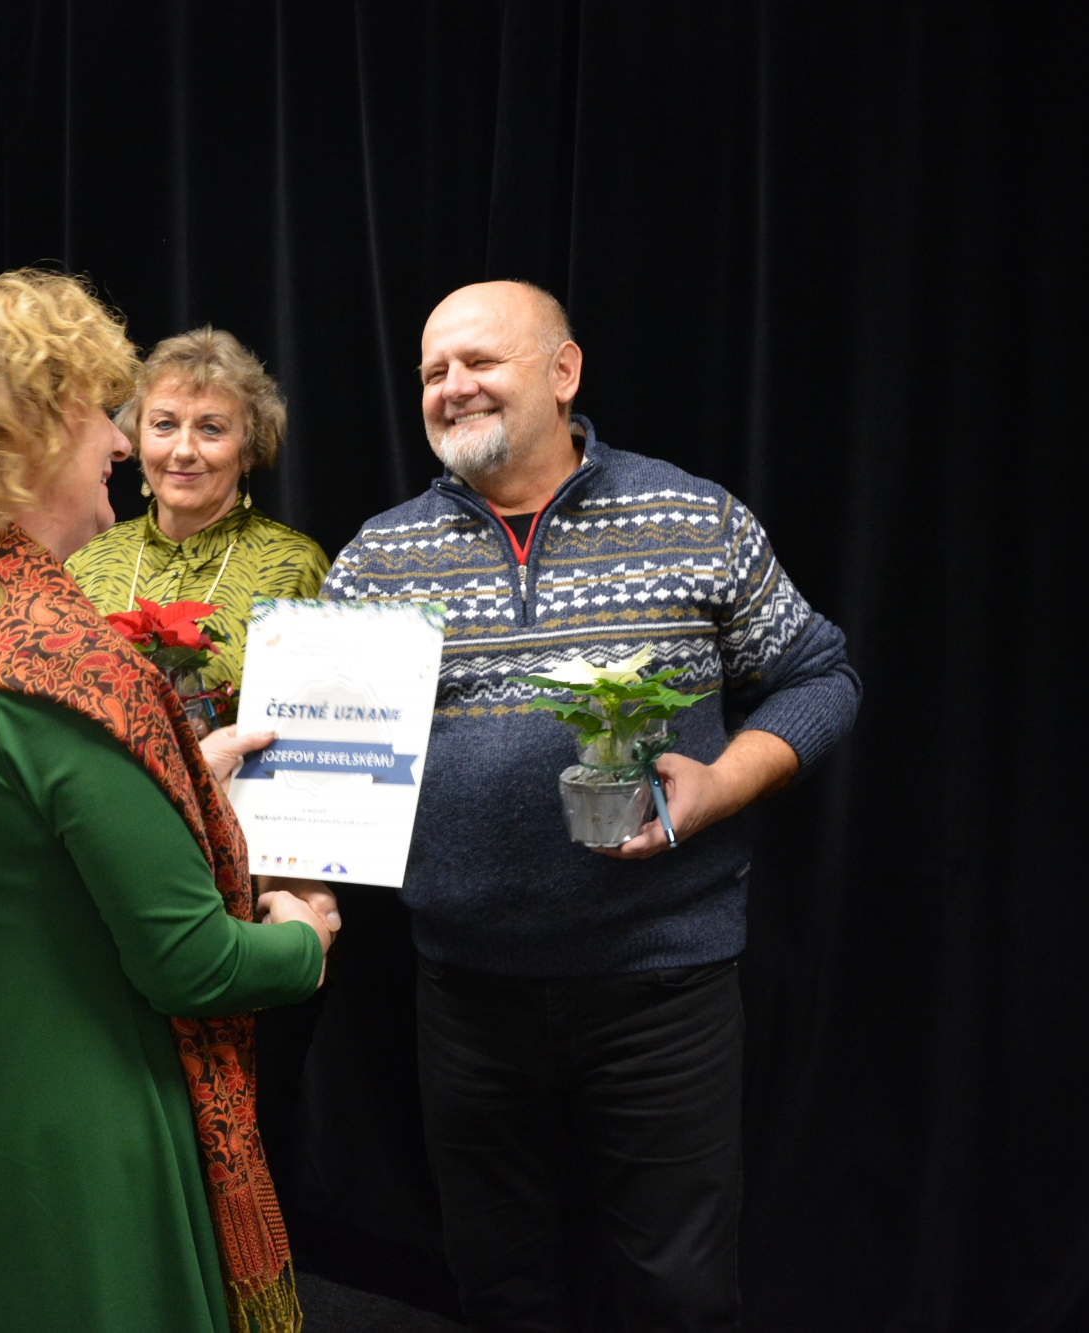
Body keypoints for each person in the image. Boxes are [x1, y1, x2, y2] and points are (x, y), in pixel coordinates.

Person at [322, 280, 862, 1332]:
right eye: (432, 371)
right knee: (500, 1287)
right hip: (465, 993)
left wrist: (723, 783)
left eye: (479, 361)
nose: (452, 386)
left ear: (562, 372)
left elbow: (821, 675)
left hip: (660, 986)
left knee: (677, 1292)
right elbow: (330, 754)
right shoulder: (377, 557)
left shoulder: (690, 517)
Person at [0, 268, 336, 1333]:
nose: (119, 440)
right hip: (87, 1138)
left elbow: (13, 862)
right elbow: (195, 964)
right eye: (98, 414)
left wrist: (180, 786)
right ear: (20, 438)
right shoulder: (66, 672)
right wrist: (302, 936)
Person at [65, 326, 329, 728]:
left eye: (211, 429)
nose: (184, 450)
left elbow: (316, 724)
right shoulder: (87, 558)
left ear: (248, 450)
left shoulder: (294, 565)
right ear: (137, 438)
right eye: (164, 425)